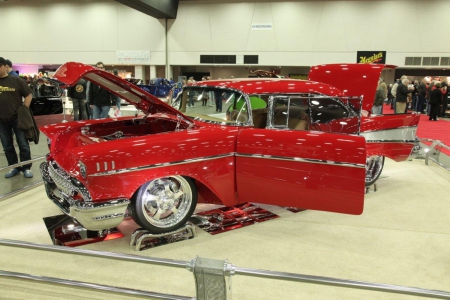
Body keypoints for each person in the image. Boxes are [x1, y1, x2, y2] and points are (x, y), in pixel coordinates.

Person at [0, 57, 34, 178]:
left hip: (17, 118)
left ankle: (26, 168)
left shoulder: (16, 80)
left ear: (5, 66)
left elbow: (29, 94)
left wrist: (24, 109)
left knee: (23, 144)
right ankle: (14, 167)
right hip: (1, 120)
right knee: (7, 146)